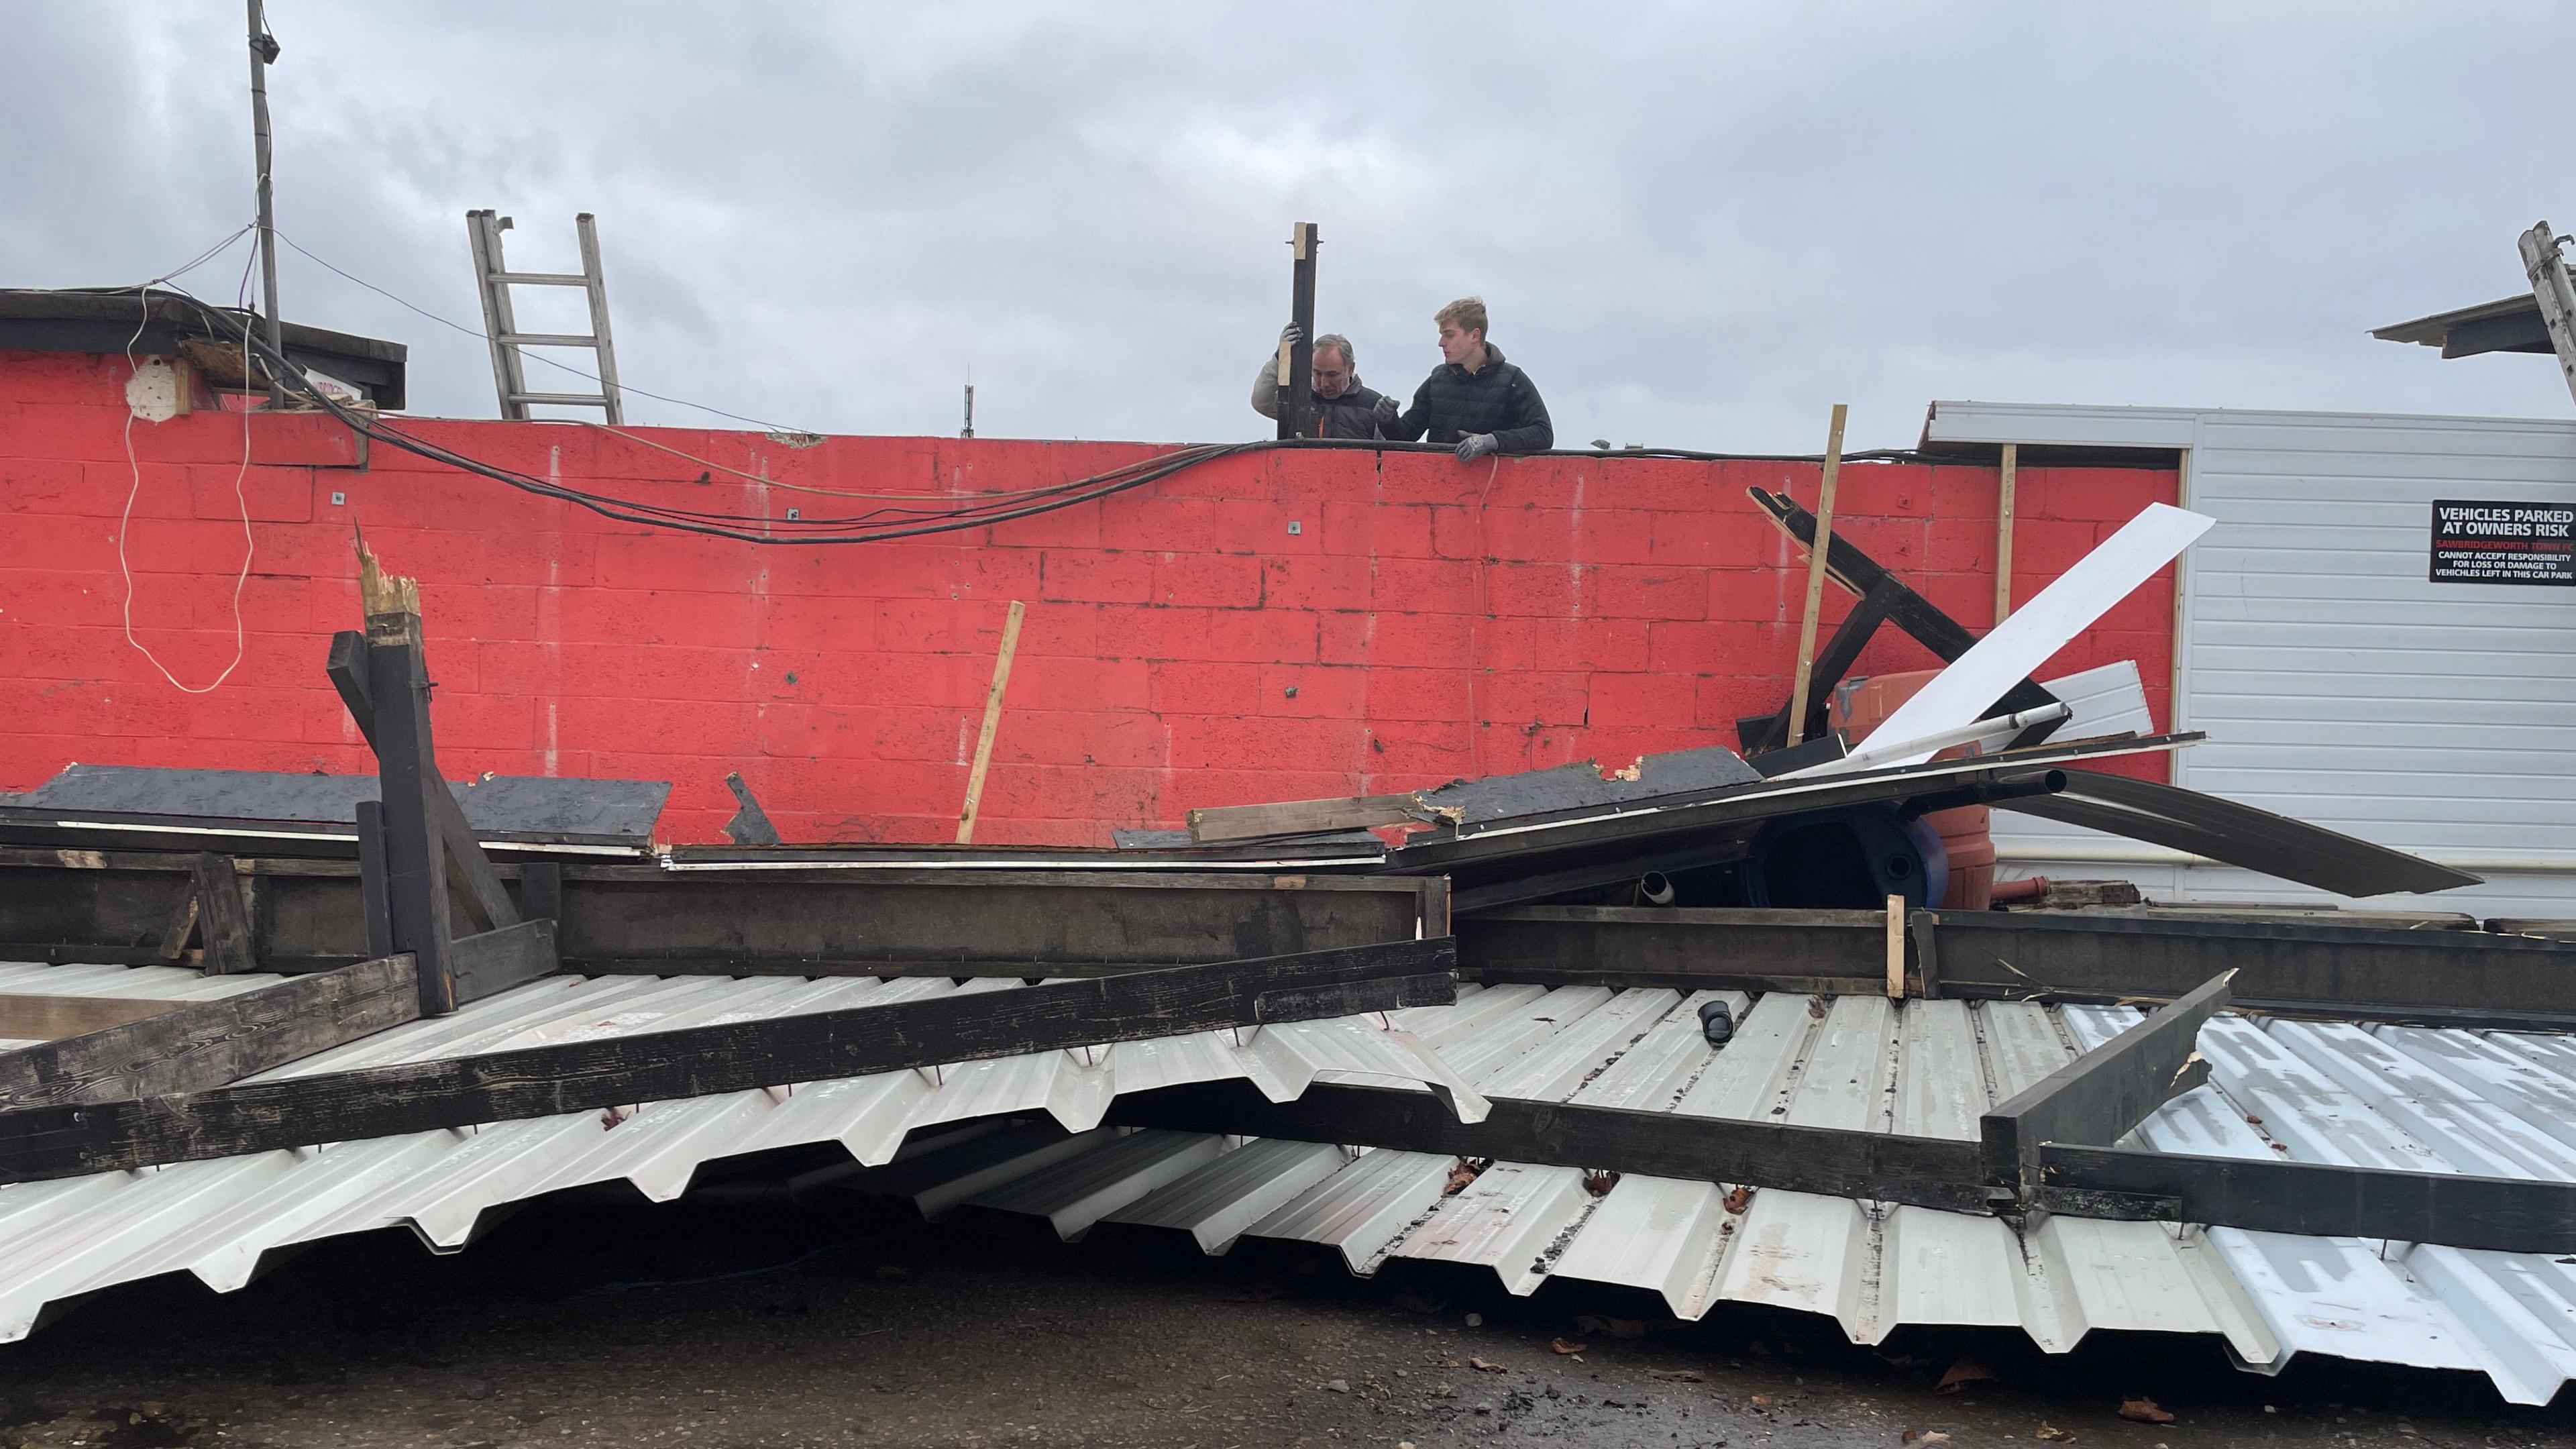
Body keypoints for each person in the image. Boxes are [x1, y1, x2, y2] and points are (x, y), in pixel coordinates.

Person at [1387, 297, 1553, 461]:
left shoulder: (1513, 380)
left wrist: (1492, 441)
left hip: (1495, 485)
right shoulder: (1437, 381)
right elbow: (1404, 437)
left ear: (1475, 336)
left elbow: (1543, 433)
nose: (1441, 343)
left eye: (1449, 335)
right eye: (1442, 335)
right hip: (1438, 483)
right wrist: (1387, 419)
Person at [1249, 326, 1401, 439]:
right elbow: (1261, 401)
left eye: (1332, 375)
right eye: (1317, 373)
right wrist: (1280, 358)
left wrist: (1389, 421)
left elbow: (1388, 457)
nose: (1324, 383)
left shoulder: (1372, 405)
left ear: (1350, 368)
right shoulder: (1301, 399)